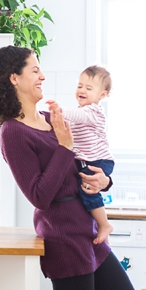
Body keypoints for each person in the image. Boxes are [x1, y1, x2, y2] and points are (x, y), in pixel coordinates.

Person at [0, 46, 145, 290]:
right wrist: (65, 147)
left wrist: (106, 179)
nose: (43, 76)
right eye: (35, 70)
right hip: (63, 237)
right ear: (15, 78)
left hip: (87, 232)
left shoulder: (49, 119)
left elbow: (88, 159)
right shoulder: (12, 132)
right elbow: (39, 194)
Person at [46, 65, 114, 245]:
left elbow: (77, 115)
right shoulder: (82, 112)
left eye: (89, 88)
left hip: (98, 160)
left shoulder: (93, 111)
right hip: (90, 160)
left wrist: (59, 111)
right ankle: (101, 224)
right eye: (80, 86)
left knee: (88, 190)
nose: (82, 90)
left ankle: (104, 224)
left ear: (102, 96)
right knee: (86, 189)